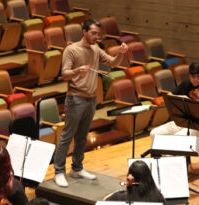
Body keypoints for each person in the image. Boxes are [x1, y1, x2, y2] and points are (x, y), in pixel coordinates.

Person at [53, 19, 128, 187]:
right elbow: (65, 74)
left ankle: (77, 168)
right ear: (84, 31)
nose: (96, 37)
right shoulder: (71, 50)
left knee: (82, 136)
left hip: (91, 99)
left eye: (99, 35)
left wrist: (121, 53)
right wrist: (77, 71)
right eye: (94, 33)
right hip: (75, 99)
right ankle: (58, 171)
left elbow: (113, 63)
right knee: (67, 136)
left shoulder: (96, 49)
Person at [150, 61, 199, 137]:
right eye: (193, 76)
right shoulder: (186, 83)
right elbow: (169, 95)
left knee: (178, 137)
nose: (195, 79)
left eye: (198, 76)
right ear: (189, 75)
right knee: (154, 133)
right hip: (183, 121)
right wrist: (183, 98)